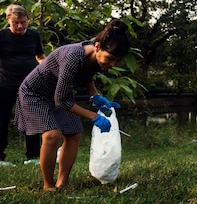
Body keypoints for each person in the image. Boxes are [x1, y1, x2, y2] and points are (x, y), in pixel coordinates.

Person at [15, 19, 131, 190]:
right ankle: (48, 186)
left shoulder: (95, 56)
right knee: (52, 135)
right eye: (111, 59)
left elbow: (87, 75)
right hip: (35, 93)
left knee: (74, 133)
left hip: (59, 91)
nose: (112, 64)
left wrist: (96, 97)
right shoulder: (72, 57)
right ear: (98, 46)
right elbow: (62, 101)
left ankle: (62, 183)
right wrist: (94, 116)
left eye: (118, 61)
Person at [0, 5, 46, 166]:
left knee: (31, 120)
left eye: (22, 22)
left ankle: (33, 156)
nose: (19, 26)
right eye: (15, 23)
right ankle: (0, 157)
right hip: (5, 84)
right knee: (1, 120)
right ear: (8, 21)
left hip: (30, 85)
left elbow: (40, 56)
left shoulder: (34, 36)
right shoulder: (1, 36)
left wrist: (48, 69)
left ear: (27, 20)